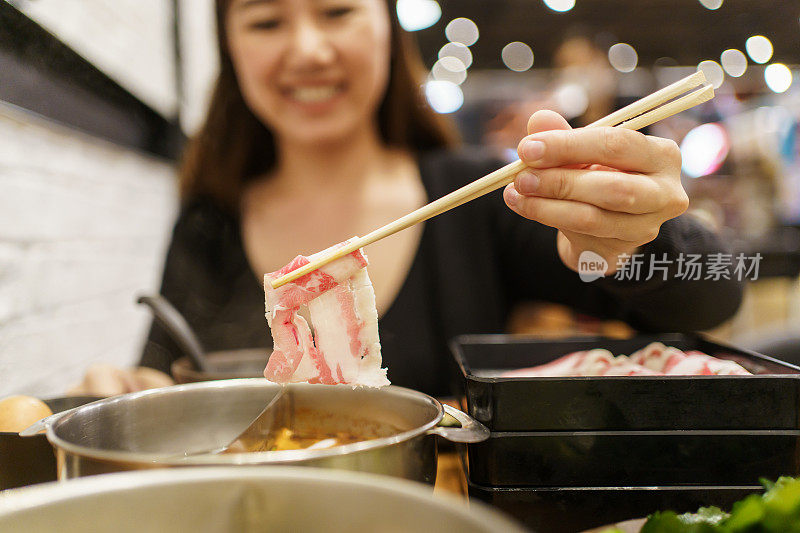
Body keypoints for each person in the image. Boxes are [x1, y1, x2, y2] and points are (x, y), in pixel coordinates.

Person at [75, 0, 742, 397]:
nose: (307, 49)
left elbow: (718, 293)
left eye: (337, 10)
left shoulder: (478, 196)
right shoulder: (209, 223)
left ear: (387, 30)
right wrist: (131, 394)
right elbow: (165, 379)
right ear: (230, 45)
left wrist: (635, 241)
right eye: (266, 19)